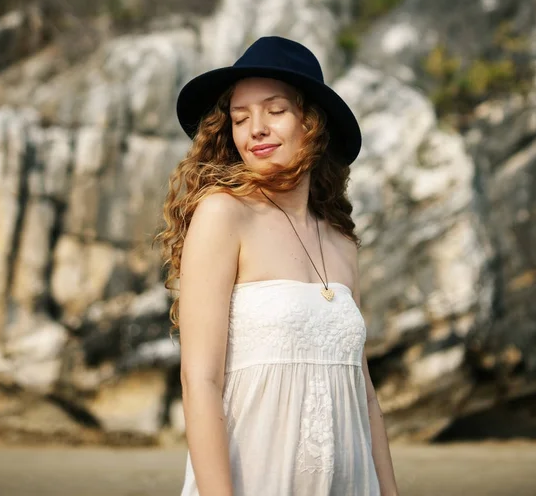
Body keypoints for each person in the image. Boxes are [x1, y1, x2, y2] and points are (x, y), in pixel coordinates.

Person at [156, 36, 399, 495]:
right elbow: (200, 380)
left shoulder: (341, 242)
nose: (256, 129)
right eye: (240, 118)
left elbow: (365, 396)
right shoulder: (224, 214)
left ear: (311, 122)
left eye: (275, 111)